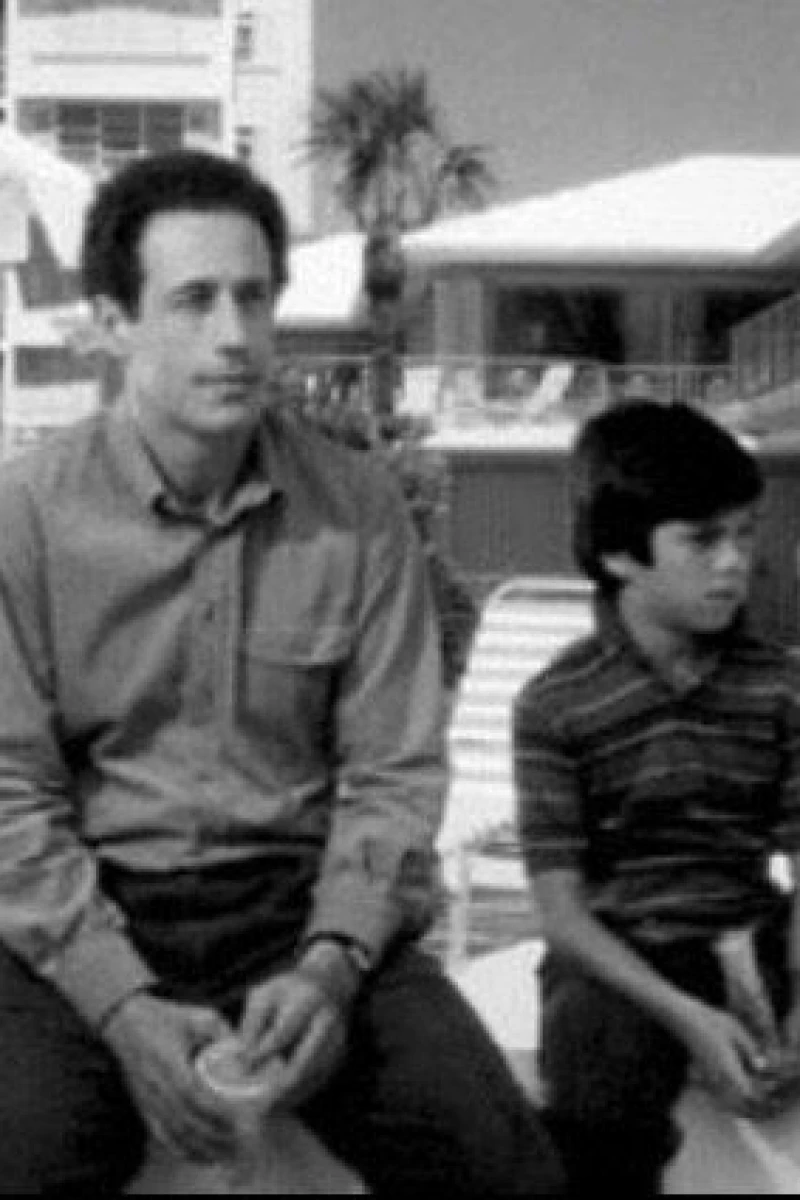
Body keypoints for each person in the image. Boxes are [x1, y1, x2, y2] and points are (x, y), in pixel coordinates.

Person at [0, 149, 565, 1196]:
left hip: (299, 903)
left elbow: (393, 772)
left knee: (505, 1166)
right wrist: (118, 1002)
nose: (235, 335)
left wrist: (333, 964)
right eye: (194, 301)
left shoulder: (359, 509)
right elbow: (9, 795)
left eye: (254, 297)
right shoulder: (26, 518)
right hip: (91, 900)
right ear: (113, 322)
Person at [513, 399, 800, 1194]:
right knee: (594, 1075)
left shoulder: (778, 686)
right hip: (622, 956)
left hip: (754, 936)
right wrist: (691, 1019)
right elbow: (564, 917)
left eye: (745, 534)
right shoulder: (556, 703)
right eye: (703, 540)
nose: (734, 562)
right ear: (618, 553)